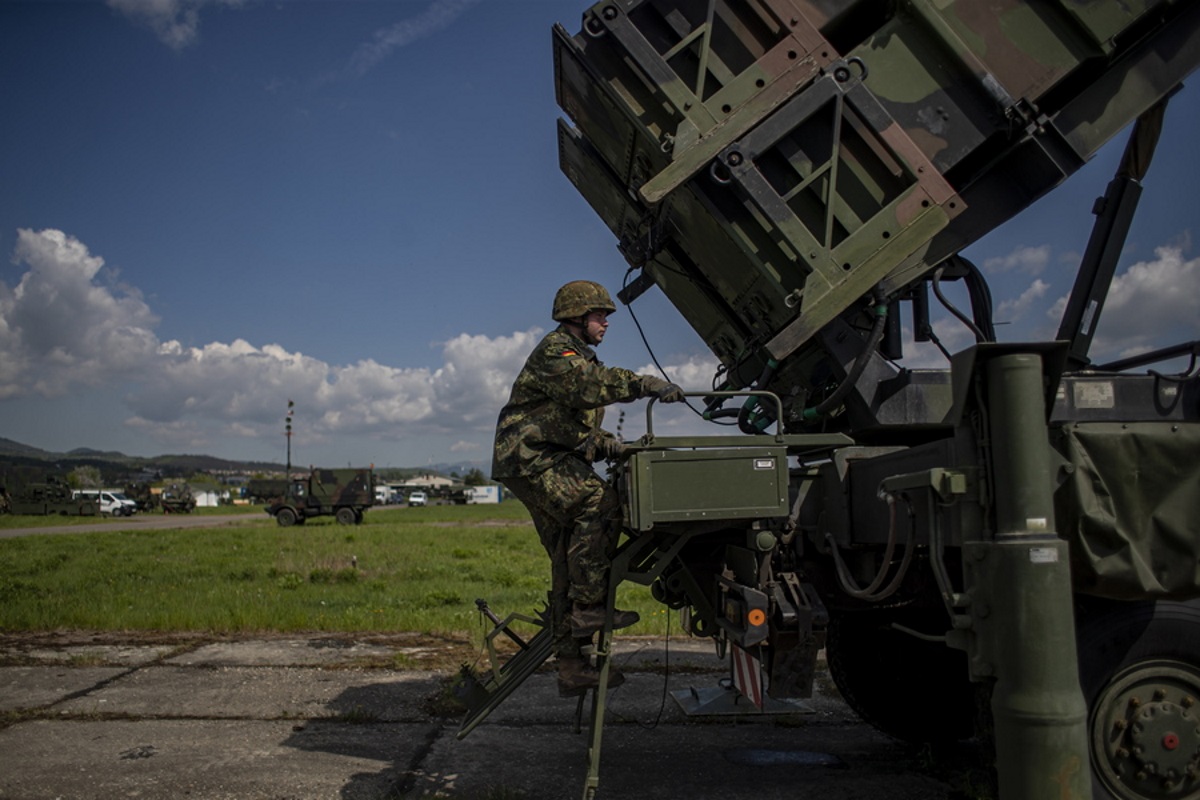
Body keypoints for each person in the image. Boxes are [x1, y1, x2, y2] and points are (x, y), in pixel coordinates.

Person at [491, 280, 684, 696]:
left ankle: (572, 664)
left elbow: (565, 424)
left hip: (541, 456)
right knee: (599, 503)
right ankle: (589, 609)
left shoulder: (577, 357)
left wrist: (601, 444)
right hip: (531, 458)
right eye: (600, 315)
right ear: (576, 317)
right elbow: (587, 387)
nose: (606, 323)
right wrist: (645, 384)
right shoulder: (557, 352)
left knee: (565, 556)